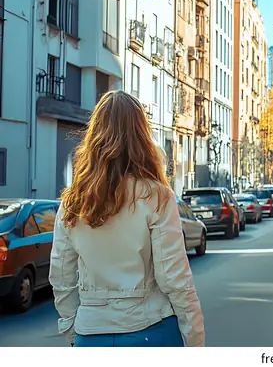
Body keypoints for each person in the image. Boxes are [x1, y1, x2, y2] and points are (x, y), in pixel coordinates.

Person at [49, 90, 205, 348]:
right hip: (150, 331)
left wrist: (73, 329)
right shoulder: (157, 197)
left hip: (91, 334)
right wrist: (195, 341)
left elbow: (61, 277)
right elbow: (175, 279)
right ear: (141, 136)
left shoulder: (72, 202)